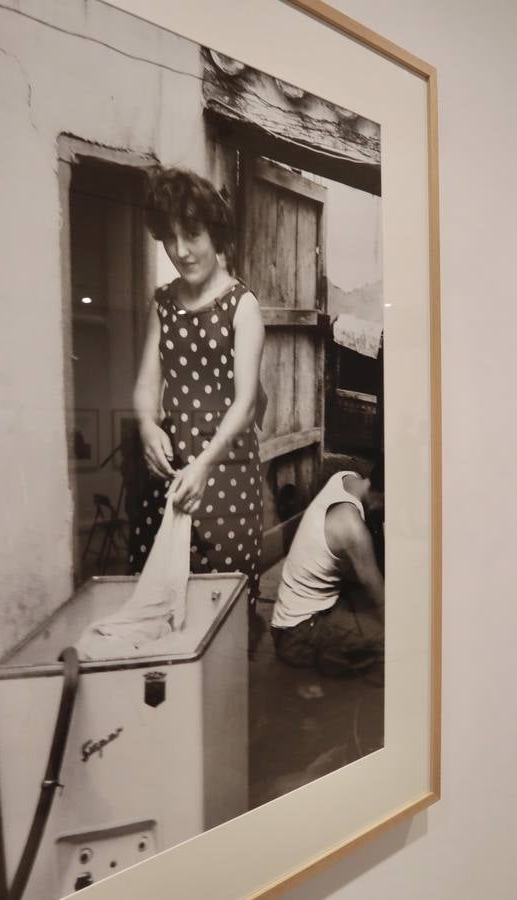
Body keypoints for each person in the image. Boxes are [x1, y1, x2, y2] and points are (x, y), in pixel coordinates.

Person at [130, 167, 266, 623]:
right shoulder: (163, 303)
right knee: (162, 601)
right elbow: (148, 384)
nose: (181, 251)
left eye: (192, 234)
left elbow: (245, 404)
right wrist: (148, 424)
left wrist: (206, 464)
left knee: (219, 607)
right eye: (170, 238)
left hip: (225, 470)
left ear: (216, 232)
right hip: (169, 471)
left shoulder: (242, 306)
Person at [269, 467, 385, 671]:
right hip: (298, 634)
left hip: (285, 622)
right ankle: (325, 654)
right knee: (385, 641)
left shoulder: (346, 477)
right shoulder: (353, 529)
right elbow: (375, 590)